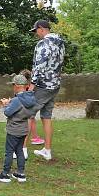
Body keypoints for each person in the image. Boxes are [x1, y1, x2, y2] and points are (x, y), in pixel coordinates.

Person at [28, 19, 66, 161]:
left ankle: (22, 150)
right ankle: (47, 150)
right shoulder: (60, 42)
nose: (36, 34)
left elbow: (39, 66)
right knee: (46, 116)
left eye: (36, 31)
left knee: (27, 114)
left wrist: (32, 85)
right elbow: (60, 63)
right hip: (55, 84)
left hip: (42, 85)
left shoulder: (43, 44)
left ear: (41, 29)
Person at [0, 74, 37, 183]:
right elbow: (29, 113)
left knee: (9, 151)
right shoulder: (30, 98)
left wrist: (6, 104)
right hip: (24, 129)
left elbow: (7, 113)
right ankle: (21, 173)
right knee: (20, 151)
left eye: (13, 85)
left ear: (16, 86)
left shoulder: (17, 100)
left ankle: (5, 174)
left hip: (13, 130)